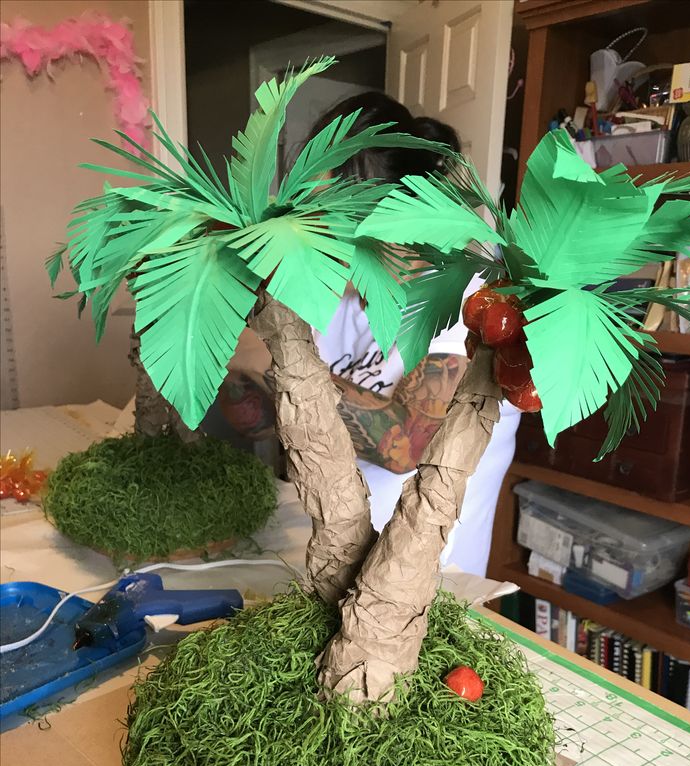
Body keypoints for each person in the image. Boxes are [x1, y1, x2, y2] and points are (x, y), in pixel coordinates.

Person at [212, 92, 520, 576]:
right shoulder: (330, 297)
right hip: (327, 556)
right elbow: (259, 423)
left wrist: (266, 359)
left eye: (329, 216)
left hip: (423, 586)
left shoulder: (470, 298)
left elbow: (408, 445)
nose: (310, 230)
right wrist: (227, 351)